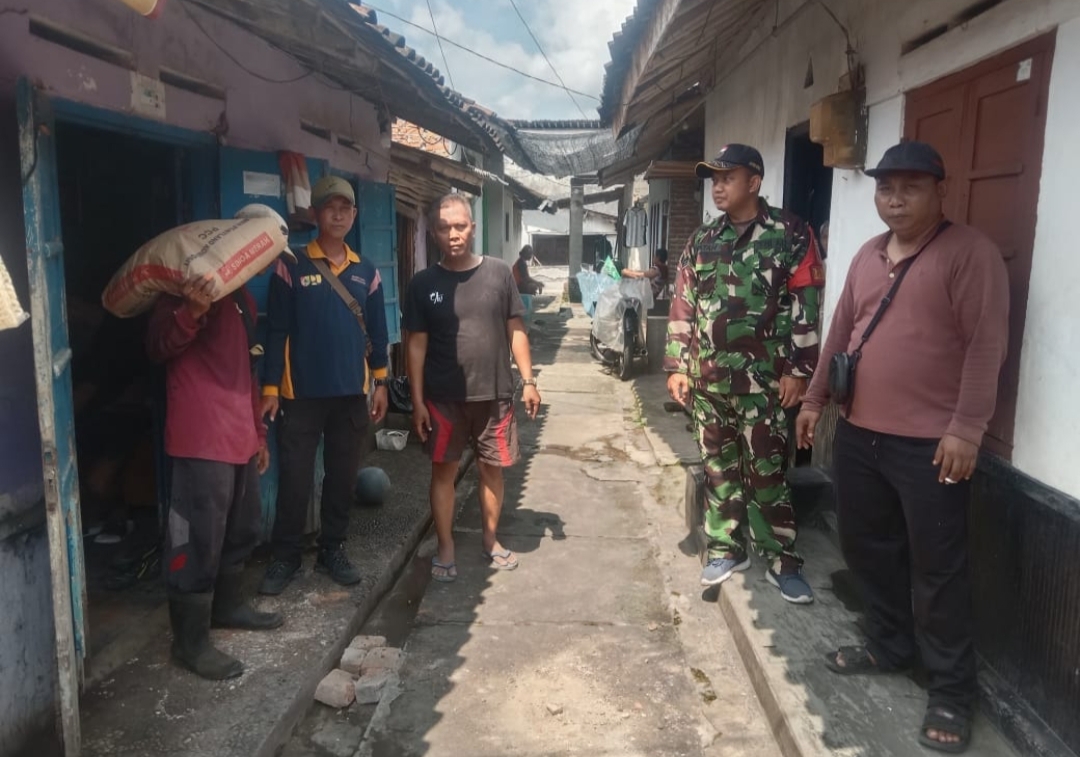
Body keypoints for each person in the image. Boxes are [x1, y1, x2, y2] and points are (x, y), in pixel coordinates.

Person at [796, 141, 1009, 753]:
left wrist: (967, 428)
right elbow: (840, 333)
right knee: (868, 548)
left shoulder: (969, 254)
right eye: (886, 188)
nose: (895, 199)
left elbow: (986, 344)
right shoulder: (867, 254)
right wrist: (813, 402)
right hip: (859, 434)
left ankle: (951, 692)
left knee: (938, 569)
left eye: (911, 187)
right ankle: (888, 645)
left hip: (932, 446)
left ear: (940, 191)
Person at [666, 143, 824, 603]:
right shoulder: (701, 240)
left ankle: (780, 556)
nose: (717, 187)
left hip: (765, 382)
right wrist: (677, 365)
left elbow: (806, 305)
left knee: (767, 470)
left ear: (754, 182)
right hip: (709, 380)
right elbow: (684, 304)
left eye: (727, 178)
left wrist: (799, 368)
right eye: (714, 180)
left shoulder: (791, 234)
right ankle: (726, 548)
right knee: (718, 467)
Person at [147, 274, 284, 681]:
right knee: (197, 540)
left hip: (238, 433)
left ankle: (227, 607)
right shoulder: (177, 295)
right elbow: (157, 348)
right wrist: (190, 312)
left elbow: (247, 371)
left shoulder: (242, 298)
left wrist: (258, 435)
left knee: (242, 528)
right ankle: (188, 644)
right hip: (199, 435)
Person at [259, 176, 390, 595]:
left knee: (341, 479)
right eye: (330, 207)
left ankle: (332, 549)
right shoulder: (292, 264)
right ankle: (285, 556)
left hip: (350, 394)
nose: (338, 215)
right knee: (295, 480)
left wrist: (381, 382)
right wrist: (270, 389)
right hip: (300, 395)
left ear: (354, 214)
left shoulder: (366, 270)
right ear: (315, 214)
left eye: (345, 208)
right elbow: (276, 330)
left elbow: (378, 331)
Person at [403, 194, 542, 583]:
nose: (453, 234)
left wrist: (529, 381)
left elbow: (516, 329)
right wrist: (417, 401)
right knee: (443, 472)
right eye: (444, 228)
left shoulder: (499, 274)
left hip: (494, 394)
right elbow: (416, 346)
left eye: (460, 226)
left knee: (492, 470)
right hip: (442, 398)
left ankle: (490, 540)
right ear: (433, 233)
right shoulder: (423, 284)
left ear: (473, 228)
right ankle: (446, 546)